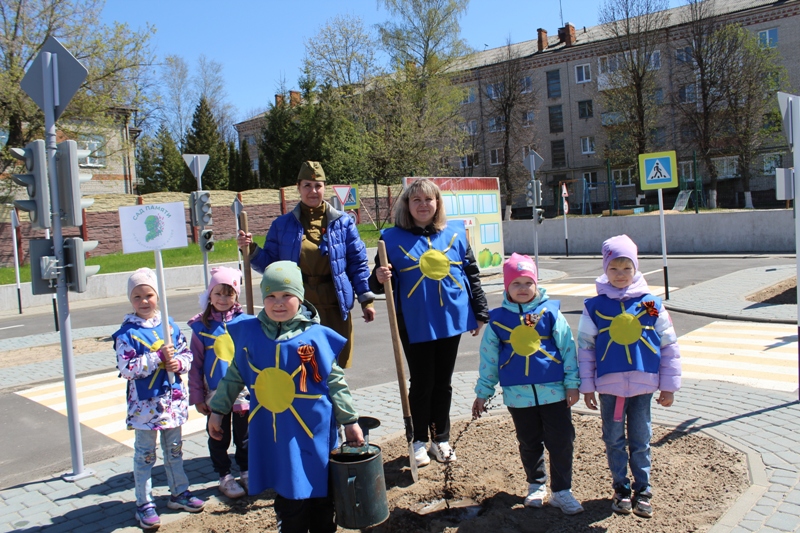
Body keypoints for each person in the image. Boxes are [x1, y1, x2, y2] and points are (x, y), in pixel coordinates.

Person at [208, 261, 365, 533]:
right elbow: (234, 376)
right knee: (290, 497)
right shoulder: (252, 335)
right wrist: (218, 410)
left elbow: (335, 382)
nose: (278, 303)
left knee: (322, 497)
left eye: (286, 295)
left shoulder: (315, 337)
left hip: (314, 432)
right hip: (277, 435)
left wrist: (350, 421)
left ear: (300, 298)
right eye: (270, 296)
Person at [370, 178, 488, 467]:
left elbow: (471, 273)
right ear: (407, 205)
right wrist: (379, 277)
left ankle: (441, 439)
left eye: (428, 200)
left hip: (451, 318)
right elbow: (376, 283)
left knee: (443, 382)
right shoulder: (390, 239)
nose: (423, 205)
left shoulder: (456, 233)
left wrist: (480, 312)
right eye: (416, 200)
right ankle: (419, 440)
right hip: (414, 321)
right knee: (422, 382)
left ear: (438, 204)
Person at [578, 235, 682, 518]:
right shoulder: (594, 307)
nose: (620, 274)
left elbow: (669, 345)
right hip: (609, 388)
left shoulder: (651, 304)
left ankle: (643, 490)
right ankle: (621, 488)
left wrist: (669, 387)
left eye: (627, 268)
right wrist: (587, 387)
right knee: (613, 439)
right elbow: (585, 348)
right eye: (614, 268)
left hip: (643, 386)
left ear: (636, 268)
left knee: (641, 440)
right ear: (605, 269)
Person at [472, 253, 584, 515]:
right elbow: (489, 360)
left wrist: (572, 384)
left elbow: (568, 348)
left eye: (528, 282)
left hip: (554, 393)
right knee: (529, 442)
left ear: (536, 284)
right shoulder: (497, 320)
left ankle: (562, 491)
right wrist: (483, 393)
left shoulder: (551, 313)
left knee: (561, 440)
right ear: (506, 286)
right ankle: (536, 485)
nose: (522, 288)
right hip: (518, 396)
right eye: (516, 283)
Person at [237, 160, 375, 369]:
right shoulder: (282, 225)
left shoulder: (343, 223)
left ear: (325, 188)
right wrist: (251, 250)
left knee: (333, 367)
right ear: (298, 188)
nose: (313, 191)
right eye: (307, 186)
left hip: (334, 305)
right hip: (299, 310)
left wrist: (366, 300)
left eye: (318, 185)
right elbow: (271, 266)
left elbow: (357, 264)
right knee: (302, 367)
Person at [113, 268, 205, 530]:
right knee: (145, 455)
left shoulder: (169, 326)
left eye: (149, 295)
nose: (144, 301)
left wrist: (178, 363)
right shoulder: (127, 334)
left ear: (158, 296)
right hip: (145, 408)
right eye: (137, 296)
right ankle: (144, 502)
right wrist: (157, 358)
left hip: (171, 404)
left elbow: (186, 354)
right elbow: (127, 368)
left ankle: (179, 492)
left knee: (174, 450)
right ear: (130, 300)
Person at [187, 267, 250, 499]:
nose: (223, 299)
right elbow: (195, 366)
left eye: (229, 294)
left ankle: (247, 471)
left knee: (245, 437)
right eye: (218, 293)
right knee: (218, 436)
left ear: (236, 296)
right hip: (214, 394)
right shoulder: (201, 327)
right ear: (209, 294)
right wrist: (197, 397)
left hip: (242, 393)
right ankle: (224, 475)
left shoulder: (246, 323)